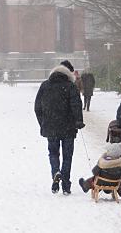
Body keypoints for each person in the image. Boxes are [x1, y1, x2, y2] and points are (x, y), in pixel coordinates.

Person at [34, 59, 84, 195]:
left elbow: (37, 107)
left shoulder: (45, 85)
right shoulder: (71, 86)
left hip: (51, 127)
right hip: (68, 127)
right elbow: (76, 105)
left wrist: (43, 122)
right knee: (68, 156)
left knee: (53, 153)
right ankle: (66, 184)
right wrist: (78, 121)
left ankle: (55, 172)